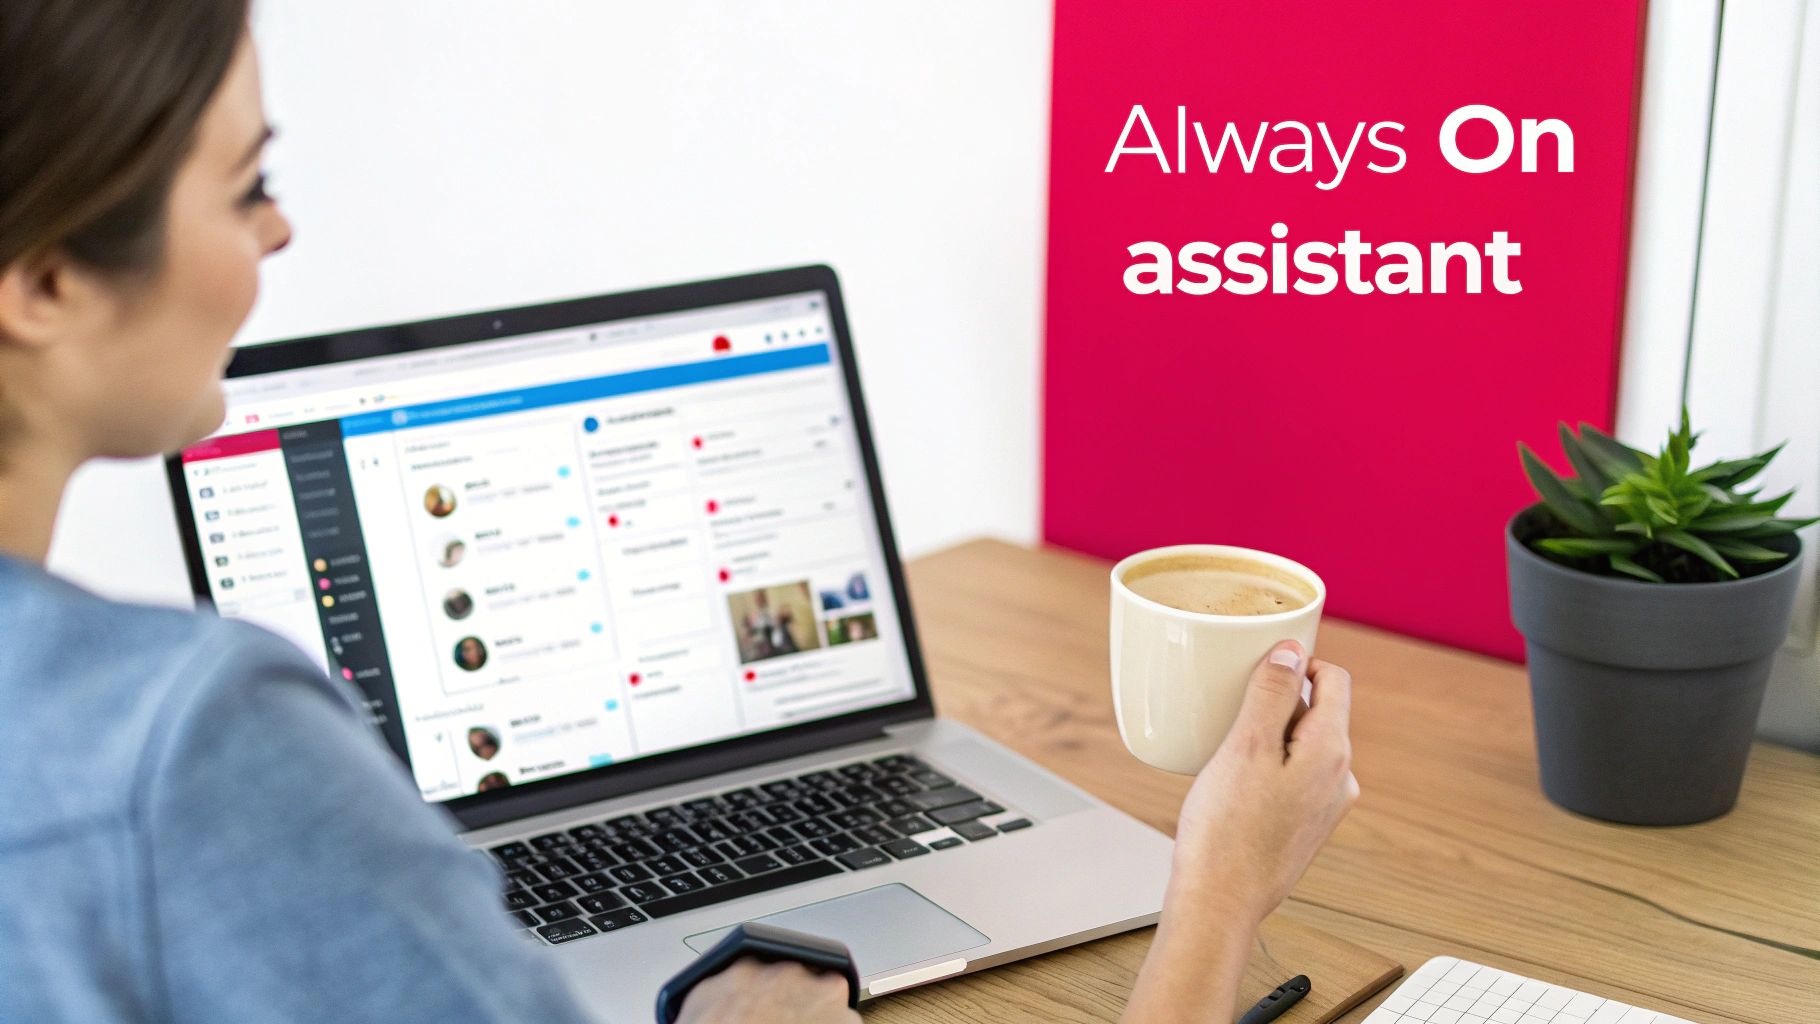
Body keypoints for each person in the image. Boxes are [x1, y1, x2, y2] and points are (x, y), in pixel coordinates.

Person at [0, 3, 1358, 1021]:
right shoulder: (195, 750)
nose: (280, 235)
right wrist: (1223, 884)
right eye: (245, 189)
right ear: (45, 281)